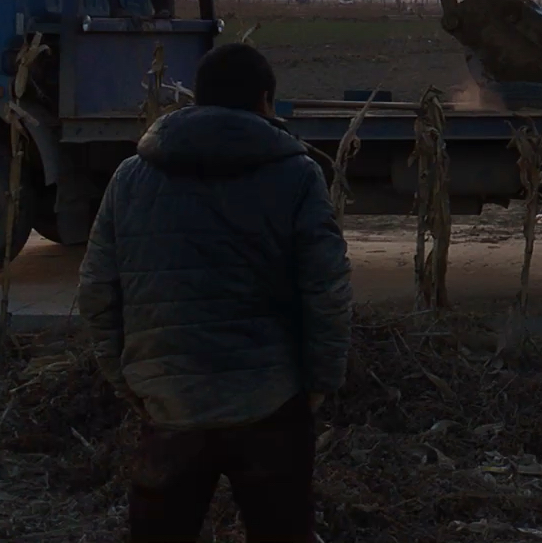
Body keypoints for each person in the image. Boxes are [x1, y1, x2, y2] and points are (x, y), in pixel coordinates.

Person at [78, 42, 352, 543]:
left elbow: (97, 291)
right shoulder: (298, 175)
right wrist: (320, 382)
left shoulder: (131, 177)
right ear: (265, 100)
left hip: (169, 403)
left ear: (197, 99)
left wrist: (129, 380)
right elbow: (327, 291)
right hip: (270, 400)